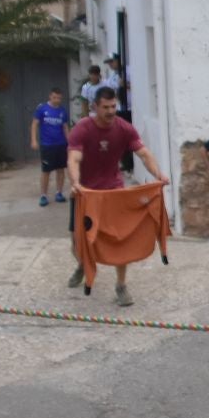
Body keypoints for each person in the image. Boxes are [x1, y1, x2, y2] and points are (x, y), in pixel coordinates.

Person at [66, 86, 169, 306]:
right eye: (106, 107)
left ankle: (121, 286)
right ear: (95, 107)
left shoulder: (124, 128)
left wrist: (158, 174)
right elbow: (73, 159)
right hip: (86, 193)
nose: (111, 111)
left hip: (113, 190)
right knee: (77, 242)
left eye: (114, 106)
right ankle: (83, 263)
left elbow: (143, 154)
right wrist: (75, 183)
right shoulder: (82, 129)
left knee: (120, 240)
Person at [31, 87, 71, 206]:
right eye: (54, 97)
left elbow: (65, 127)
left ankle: (59, 193)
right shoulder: (42, 109)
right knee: (46, 171)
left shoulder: (63, 111)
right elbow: (34, 125)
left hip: (61, 144)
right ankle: (43, 195)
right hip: (47, 145)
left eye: (59, 98)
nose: (57, 100)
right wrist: (34, 140)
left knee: (60, 170)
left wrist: (70, 143)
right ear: (50, 96)